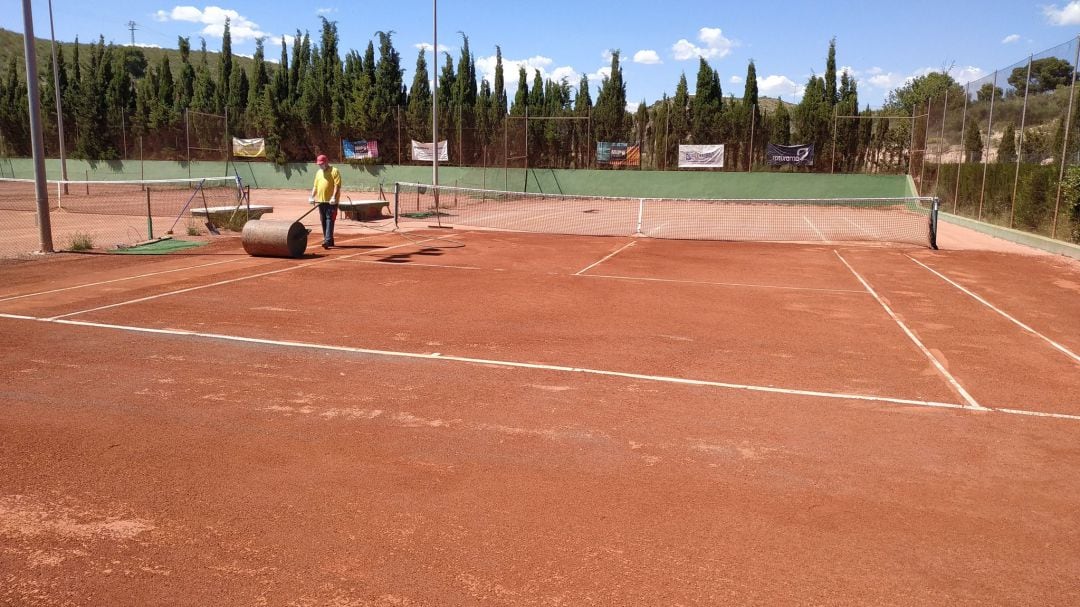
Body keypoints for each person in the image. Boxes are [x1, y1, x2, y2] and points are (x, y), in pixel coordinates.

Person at [309, 154, 342, 248]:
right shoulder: (318, 172)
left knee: (329, 220)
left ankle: (327, 240)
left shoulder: (334, 171)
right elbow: (315, 186)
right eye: (319, 164)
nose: (320, 165)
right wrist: (311, 196)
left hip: (331, 202)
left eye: (322, 164)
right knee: (323, 220)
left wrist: (333, 197)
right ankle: (329, 240)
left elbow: (337, 185)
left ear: (326, 162)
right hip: (321, 202)